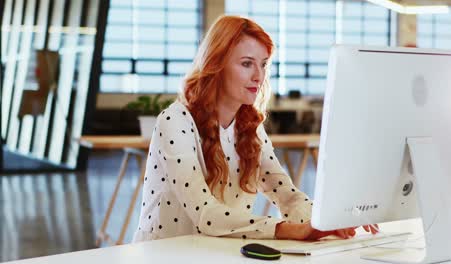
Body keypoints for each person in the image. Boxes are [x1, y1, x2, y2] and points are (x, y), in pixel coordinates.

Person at [133, 15, 377, 242]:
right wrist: (291, 230)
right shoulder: (175, 121)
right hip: (165, 254)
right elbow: (205, 213)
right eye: (247, 64)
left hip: (216, 252)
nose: (259, 76)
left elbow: (288, 196)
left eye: (263, 64)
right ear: (216, 65)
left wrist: (330, 219)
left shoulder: (249, 127)